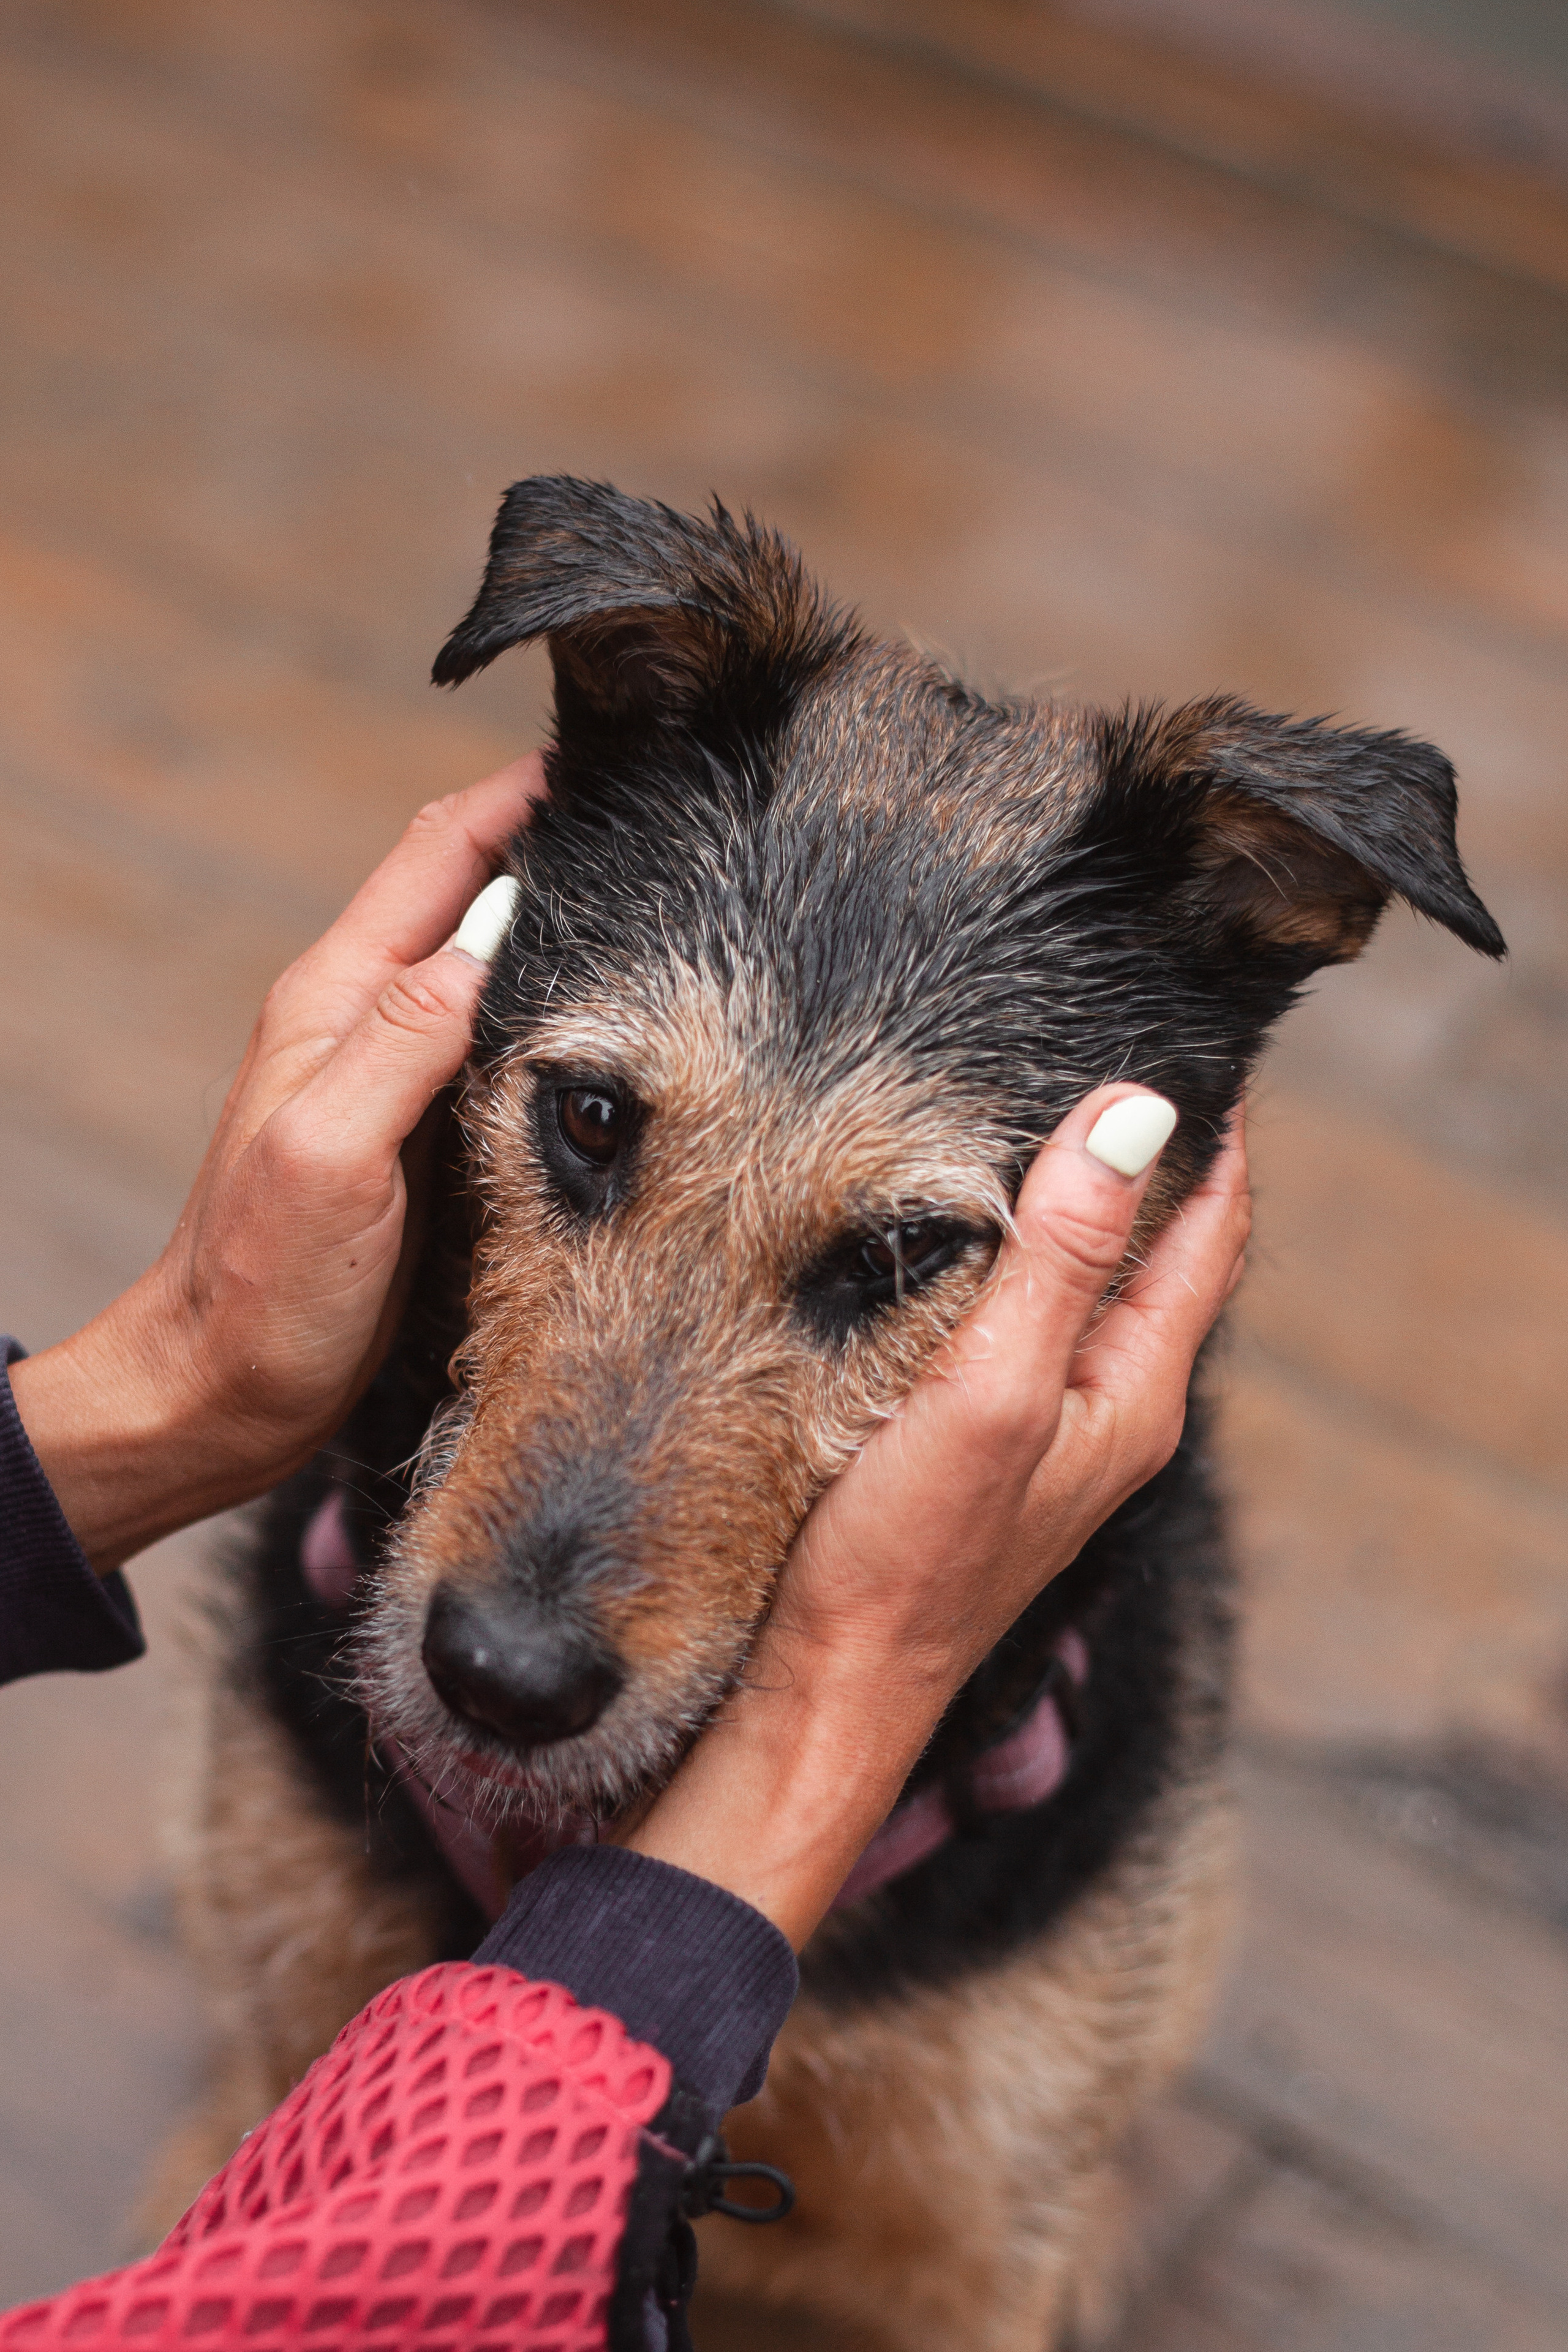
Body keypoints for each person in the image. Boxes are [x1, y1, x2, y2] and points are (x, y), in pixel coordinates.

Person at [0, 758, 1251, 2350]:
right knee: (276, 2059)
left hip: (1000, 1888)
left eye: (897, 1252)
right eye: (593, 1121)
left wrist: (177, 1386)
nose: (515, 1639)